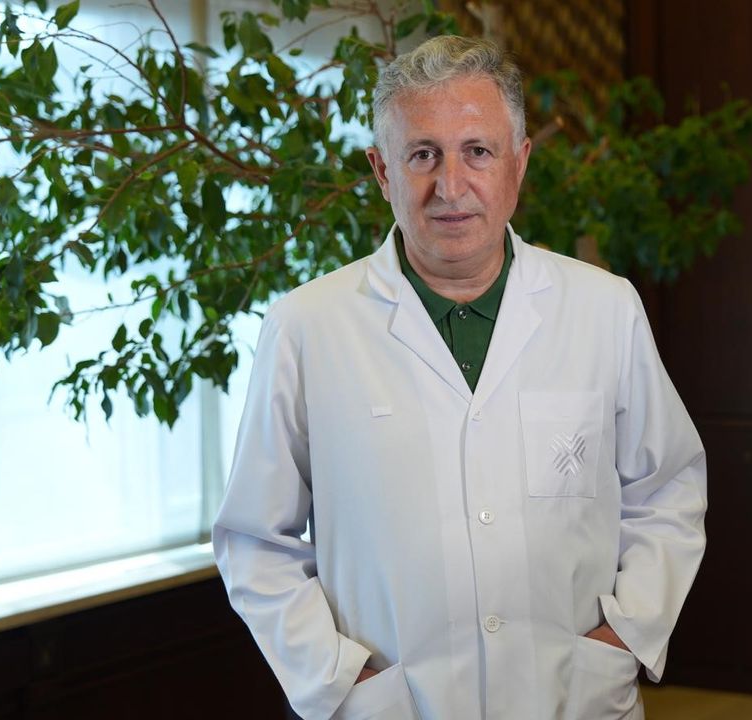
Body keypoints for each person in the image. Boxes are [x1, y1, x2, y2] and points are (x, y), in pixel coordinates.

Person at [212, 35, 706, 720]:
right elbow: (254, 540)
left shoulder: (604, 307)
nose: (450, 186)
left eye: (477, 151)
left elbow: (668, 490)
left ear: (518, 164)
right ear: (381, 170)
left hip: (576, 698)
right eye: (422, 154)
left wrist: (626, 635)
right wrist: (336, 680)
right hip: (393, 704)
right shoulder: (307, 326)